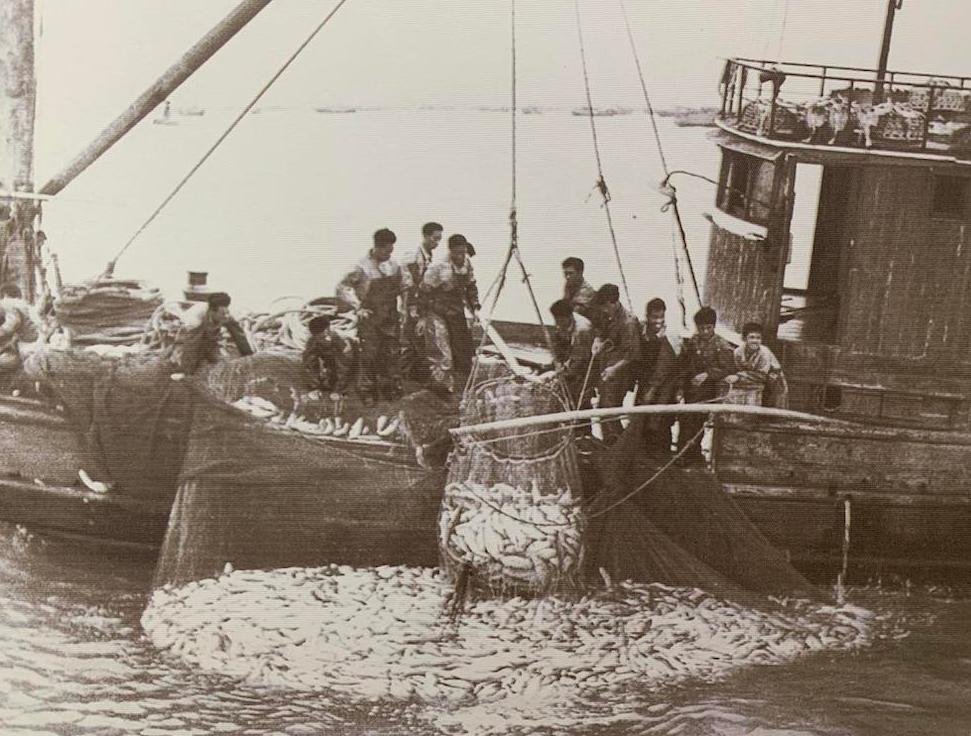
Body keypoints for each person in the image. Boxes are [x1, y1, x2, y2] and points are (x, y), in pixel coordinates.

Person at [336, 228, 412, 406]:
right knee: (369, 355)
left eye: (391, 250)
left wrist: (404, 308)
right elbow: (343, 288)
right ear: (377, 247)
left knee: (392, 354)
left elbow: (405, 286)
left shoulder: (394, 266)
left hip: (391, 317)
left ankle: (390, 388)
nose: (389, 254)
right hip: (370, 318)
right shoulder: (361, 267)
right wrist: (358, 307)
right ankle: (366, 390)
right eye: (386, 250)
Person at [421, 234, 480, 396]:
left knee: (463, 348)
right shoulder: (438, 267)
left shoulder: (466, 264)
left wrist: (475, 306)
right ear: (450, 251)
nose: (460, 257)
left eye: (463, 253)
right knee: (442, 350)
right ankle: (441, 386)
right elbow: (424, 291)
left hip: (456, 310)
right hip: (437, 311)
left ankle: (463, 386)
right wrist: (422, 316)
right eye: (457, 253)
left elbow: (471, 286)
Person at [678, 306, 735, 463]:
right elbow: (684, 365)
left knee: (696, 421)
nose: (704, 332)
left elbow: (728, 368)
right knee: (685, 420)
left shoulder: (721, 346)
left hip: (708, 391)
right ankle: (690, 452)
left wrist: (708, 374)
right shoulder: (693, 342)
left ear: (714, 327)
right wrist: (681, 388)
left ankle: (687, 454)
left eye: (708, 328)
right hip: (691, 389)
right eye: (701, 328)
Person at [591, 283, 641, 444]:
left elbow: (632, 355)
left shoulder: (629, 322)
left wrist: (614, 369)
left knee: (609, 409)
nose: (603, 311)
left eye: (605, 307)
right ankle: (610, 442)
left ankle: (618, 444)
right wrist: (597, 341)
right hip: (607, 367)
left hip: (620, 373)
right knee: (603, 406)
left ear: (613, 303)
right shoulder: (607, 314)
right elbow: (600, 330)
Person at [635, 297, 679, 457]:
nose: (658, 321)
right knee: (642, 415)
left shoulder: (668, 337)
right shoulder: (642, 330)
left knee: (660, 419)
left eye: (661, 317)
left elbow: (664, 366)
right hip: (647, 379)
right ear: (647, 316)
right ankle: (644, 450)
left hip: (665, 382)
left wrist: (652, 390)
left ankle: (661, 454)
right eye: (654, 317)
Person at [401, 222, 443, 382]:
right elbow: (411, 287)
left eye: (439, 239)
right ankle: (403, 379)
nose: (437, 243)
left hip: (421, 306)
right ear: (425, 236)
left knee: (418, 342)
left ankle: (412, 378)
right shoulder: (413, 256)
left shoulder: (428, 256)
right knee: (410, 343)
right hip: (412, 306)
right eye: (434, 239)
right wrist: (414, 313)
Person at [176, 291, 253, 376]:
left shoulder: (226, 315)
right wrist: (186, 372)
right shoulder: (194, 320)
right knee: (191, 365)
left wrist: (249, 356)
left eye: (227, 313)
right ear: (212, 311)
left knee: (224, 363)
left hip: (210, 340)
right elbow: (191, 346)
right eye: (222, 314)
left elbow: (239, 337)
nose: (226, 316)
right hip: (188, 339)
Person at [725, 321, 789, 409]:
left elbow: (761, 375)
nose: (755, 341)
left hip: (773, 380)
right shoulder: (738, 352)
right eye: (751, 337)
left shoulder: (764, 353)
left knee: (771, 409)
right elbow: (739, 369)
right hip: (751, 380)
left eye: (758, 338)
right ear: (744, 338)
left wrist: (739, 377)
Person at [550, 299, 595, 411]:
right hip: (572, 359)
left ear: (568, 317)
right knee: (566, 396)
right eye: (556, 320)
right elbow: (558, 347)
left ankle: (583, 426)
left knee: (581, 400)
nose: (557, 324)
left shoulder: (583, 330)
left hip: (586, 366)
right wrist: (557, 363)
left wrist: (561, 372)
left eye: (560, 321)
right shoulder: (562, 324)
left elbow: (579, 359)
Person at [302, 314, 355, 400]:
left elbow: (344, 367)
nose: (319, 340)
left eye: (322, 337)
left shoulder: (341, 341)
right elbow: (309, 365)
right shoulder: (313, 340)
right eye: (317, 337)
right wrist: (314, 388)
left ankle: (342, 389)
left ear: (327, 332)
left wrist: (338, 390)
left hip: (350, 365)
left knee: (345, 374)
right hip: (331, 362)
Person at [0, 284, 37, 376]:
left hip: (27, 348)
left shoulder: (7, 303)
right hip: (34, 344)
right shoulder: (24, 304)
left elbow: (13, 323)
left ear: (4, 295)